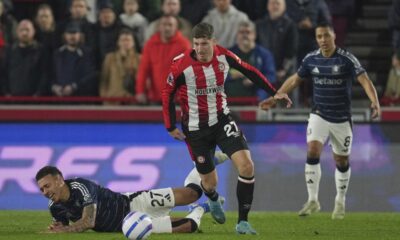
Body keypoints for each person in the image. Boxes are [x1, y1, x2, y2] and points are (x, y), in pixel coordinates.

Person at [162, 22, 292, 234]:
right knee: (209, 183)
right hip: (195, 129)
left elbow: (249, 71)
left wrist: (273, 91)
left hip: (222, 120)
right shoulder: (180, 65)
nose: (200, 49)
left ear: (214, 42)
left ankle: (242, 222)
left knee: (247, 166)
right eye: (196, 44)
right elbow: (166, 94)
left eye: (204, 44)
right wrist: (169, 126)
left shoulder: (224, 56)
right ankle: (213, 198)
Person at [260, 23, 381, 219]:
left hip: (341, 119)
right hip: (319, 115)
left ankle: (340, 201)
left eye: (326, 35)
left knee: (341, 161)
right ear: (316, 38)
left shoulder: (346, 59)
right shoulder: (311, 59)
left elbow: (364, 80)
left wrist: (375, 101)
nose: (323, 40)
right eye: (319, 36)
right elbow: (294, 79)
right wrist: (276, 97)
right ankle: (313, 200)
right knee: (312, 150)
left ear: (334, 35)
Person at [36, 165, 206, 234]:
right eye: (42, 189)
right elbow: (63, 226)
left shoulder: (81, 187)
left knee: (191, 194)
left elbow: (88, 221)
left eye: (47, 186)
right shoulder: (55, 207)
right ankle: (200, 209)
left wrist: (64, 230)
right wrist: (59, 226)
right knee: (189, 227)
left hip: (133, 203)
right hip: (129, 226)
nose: (44, 192)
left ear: (59, 180)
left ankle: (204, 165)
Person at [135, 14, 191, 105]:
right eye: (164, 25)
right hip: (155, 97)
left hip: (177, 99)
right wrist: (140, 91)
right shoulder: (150, 44)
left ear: (176, 27)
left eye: (170, 25)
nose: (167, 28)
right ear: (159, 27)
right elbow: (143, 70)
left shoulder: (184, 45)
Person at [227, 20, 276, 100]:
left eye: (248, 32)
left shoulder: (265, 55)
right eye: (241, 32)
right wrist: (231, 76)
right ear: (237, 35)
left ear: (254, 35)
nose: (244, 35)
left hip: (256, 99)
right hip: (230, 99)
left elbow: (271, 76)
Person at [100, 28, 140, 104]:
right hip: (112, 100)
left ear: (133, 43)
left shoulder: (140, 59)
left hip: (132, 101)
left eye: (128, 40)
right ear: (118, 42)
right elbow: (104, 81)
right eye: (123, 40)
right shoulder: (110, 58)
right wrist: (104, 97)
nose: (126, 43)